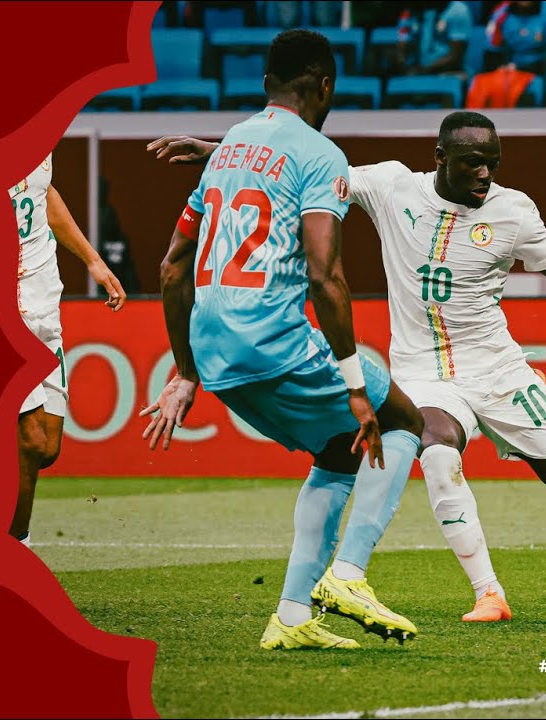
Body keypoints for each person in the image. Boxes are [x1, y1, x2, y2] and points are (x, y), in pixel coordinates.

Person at [147, 111, 546, 624]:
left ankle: (531, 418)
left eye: (492, 163)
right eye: (472, 163)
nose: (484, 174)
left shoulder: (514, 213)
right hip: (422, 374)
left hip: (499, 369)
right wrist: (219, 152)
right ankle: (489, 594)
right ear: (439, 156)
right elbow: (306, 170)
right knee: (434, 445)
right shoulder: (393, 185)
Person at [141, 29, 426, 650]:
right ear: (325, 85)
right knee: (406, 421)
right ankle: (348, 576)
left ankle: (293, 618)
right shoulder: (322, 155)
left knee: (338, 450)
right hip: (275, 341)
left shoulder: (229, 148)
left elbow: (171, 268)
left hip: (214, 355)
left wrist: (185, 372)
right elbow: (325, 277)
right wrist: (355, 386)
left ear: (267, 83)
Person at [11, 152, 126, 548]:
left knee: (47, 447)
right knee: (29, 441)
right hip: (2, 308)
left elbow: (42, 192)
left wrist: (93, 260)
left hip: (43, 304)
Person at [484, 0, 546, 74]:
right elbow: (492, 52)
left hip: (545, 71)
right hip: (511, 72)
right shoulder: (501, 12)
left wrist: (522, 71)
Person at [392, 1, 473, 76]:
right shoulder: (411, 11)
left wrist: (423, 71)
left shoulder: (458, 11)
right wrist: (402, 61)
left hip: (450, 72)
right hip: (419, 71)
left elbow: (455, 57)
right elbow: (402, 44)